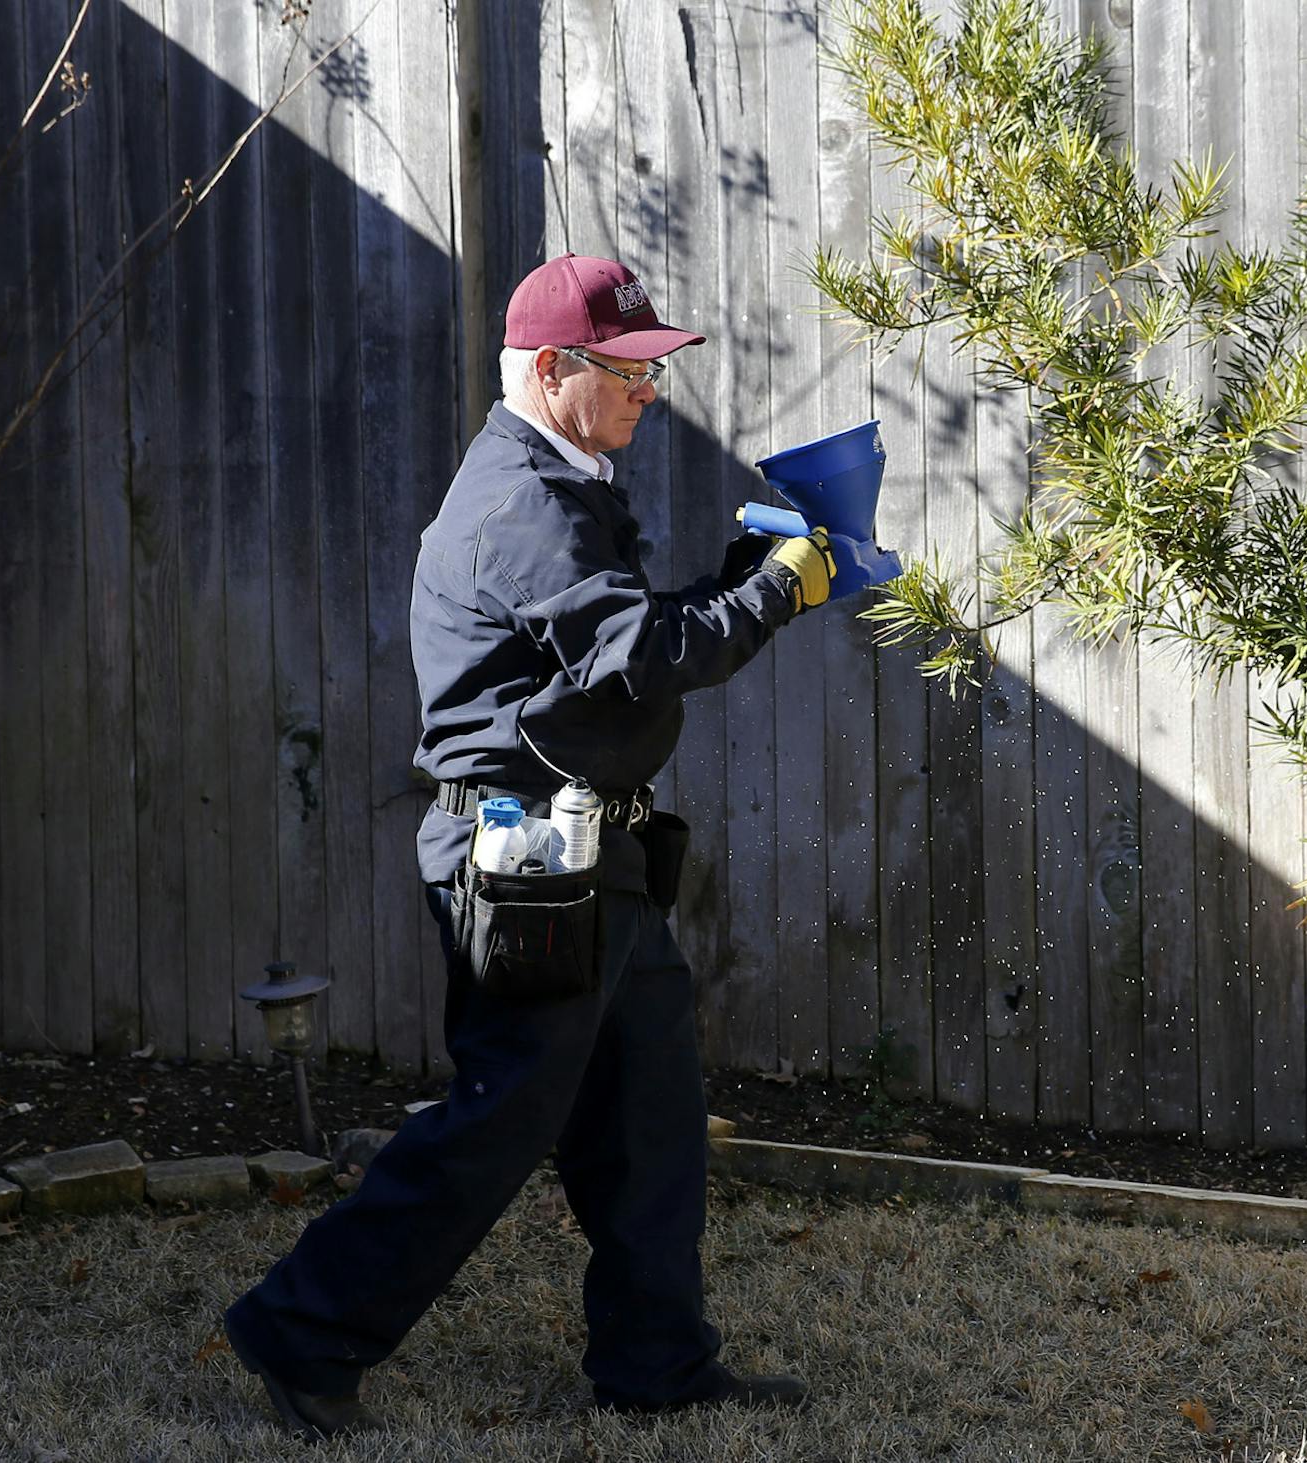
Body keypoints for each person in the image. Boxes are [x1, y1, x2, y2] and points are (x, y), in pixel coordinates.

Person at [223, 253, 834, 1441]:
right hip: (523, 861)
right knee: (500, 1117)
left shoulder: (564, 478)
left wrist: (740, 577)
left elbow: (614, 644)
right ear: (554, 370)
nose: (650, 391)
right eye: (628, 370)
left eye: (652, 370)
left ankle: (656, 1359)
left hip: (584, 855)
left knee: (648, 1107)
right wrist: (773, 595)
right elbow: (640, 659)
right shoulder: (522, 500)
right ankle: (299, 1329)